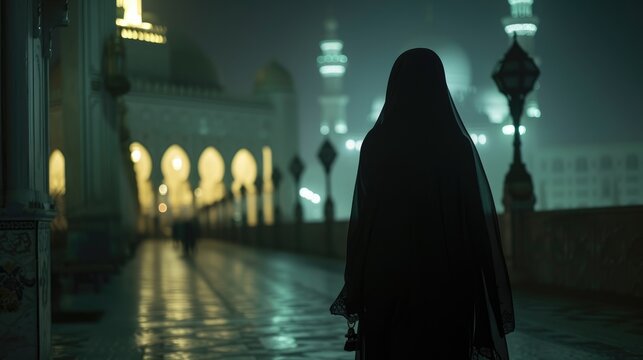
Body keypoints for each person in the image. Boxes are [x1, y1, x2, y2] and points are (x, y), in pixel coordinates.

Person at [330, 48, 515, 359]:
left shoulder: (376, 144)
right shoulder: (456, 146)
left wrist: (356, 286)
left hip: (387, 278)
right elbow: (474, 221)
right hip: (447, 281)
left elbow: (363, 221)